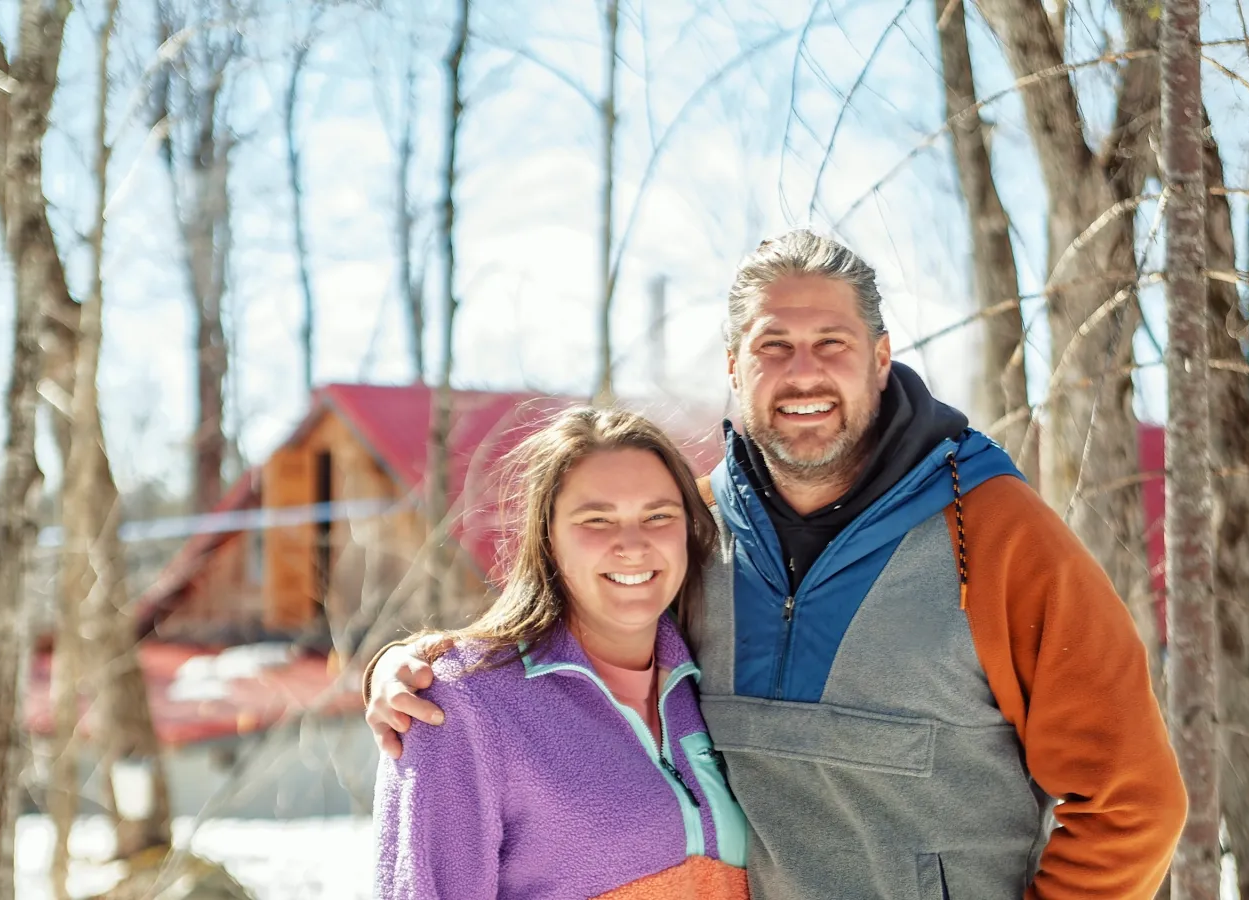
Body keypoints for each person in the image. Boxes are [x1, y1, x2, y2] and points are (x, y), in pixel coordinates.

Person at [366, 231, 1188, 899]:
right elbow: (568, 635)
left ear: (879, 356)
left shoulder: (998, 532)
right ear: (733, 366)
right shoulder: (687, 529)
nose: (803, 373)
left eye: (831, 342)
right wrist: (408, 668)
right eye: (773, 346)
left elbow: (1132, 800)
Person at [370, 407, 751, 899]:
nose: (633, 546)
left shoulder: (711, 677)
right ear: (548, 538)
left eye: (658, 516)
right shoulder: (462, 704)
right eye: (597, 520)